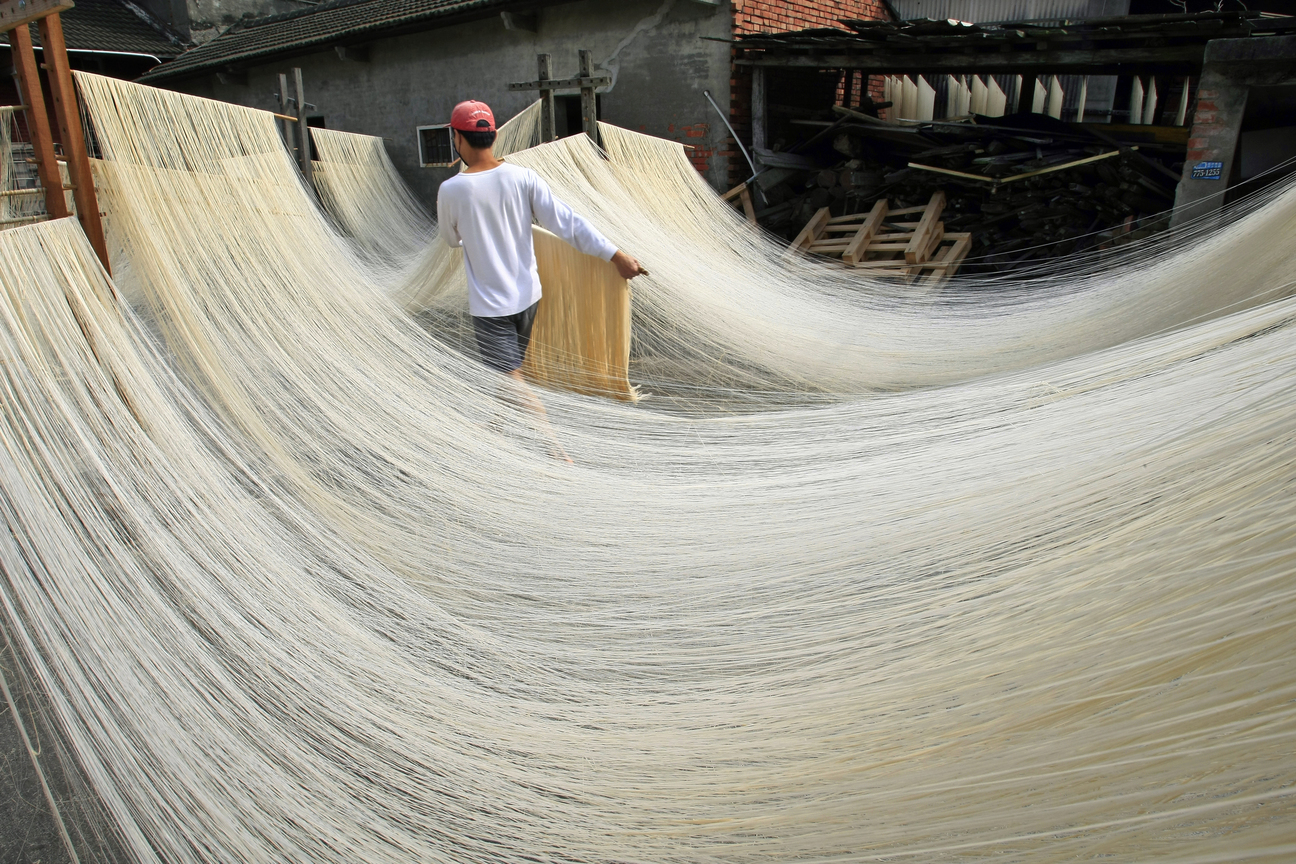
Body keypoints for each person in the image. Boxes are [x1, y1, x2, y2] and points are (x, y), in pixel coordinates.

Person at [436, 99, 644, 460]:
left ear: (457, 138)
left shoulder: (452, 190)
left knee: (511, 377)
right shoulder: (523, 178)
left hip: (490, 309)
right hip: (528, 299)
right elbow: (568, 222)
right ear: (494, 135)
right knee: (508, 372)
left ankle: (555, 449)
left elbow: (451, 239)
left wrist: (477, 231)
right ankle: (496, 426)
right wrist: (617, 255)